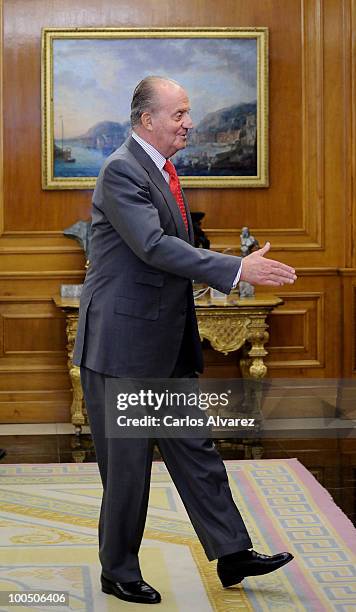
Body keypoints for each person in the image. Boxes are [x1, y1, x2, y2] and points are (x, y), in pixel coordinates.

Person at [73, 76, 296, 605]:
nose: (189, 123)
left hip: (164, 345)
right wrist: (237, 268)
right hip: (123, 347)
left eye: (187, 113)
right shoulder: (121, 170)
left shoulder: (164, 170)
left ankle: (232, 552)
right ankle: (118, 570)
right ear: (147, 119)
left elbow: (172, 248)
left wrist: (229, 267)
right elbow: (153, 246)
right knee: (127, 468)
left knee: (196, 452)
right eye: (179, 114)